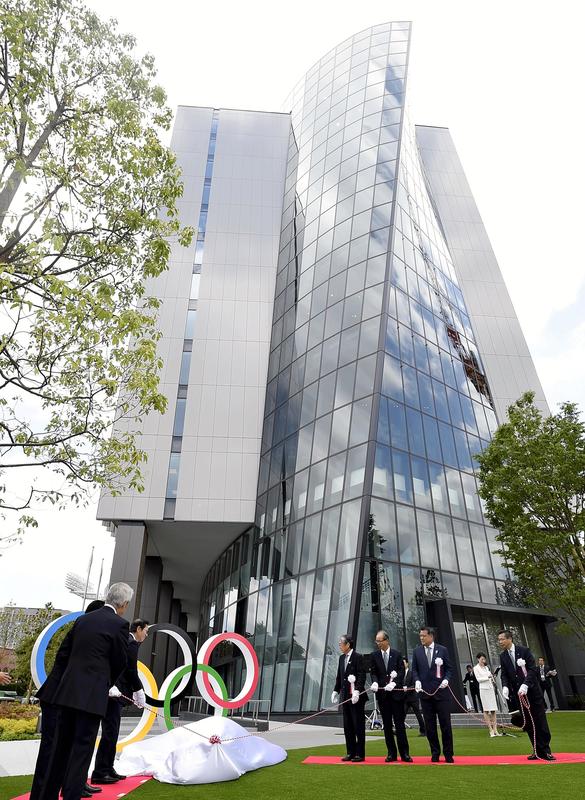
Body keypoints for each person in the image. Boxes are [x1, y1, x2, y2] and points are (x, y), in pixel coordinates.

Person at [32, 583, 132, 800]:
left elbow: (64, 653)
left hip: (66, 694)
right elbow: (119, 662)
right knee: (81, 752)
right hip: (92, 697)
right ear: (124, 604)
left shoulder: (83, 620)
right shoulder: (120, 625)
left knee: (60, 750)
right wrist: (105, 684)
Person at [29, 599, 105, 800]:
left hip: (63, 697)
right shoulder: (81, 632)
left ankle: (67, 786)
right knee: (51, 753)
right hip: (57, 697)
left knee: (62, 751)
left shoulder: (82, 630)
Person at [92, 618, 149, 784]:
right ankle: (100, 772)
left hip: (114, 693)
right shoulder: (131, 643)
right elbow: (131, 670)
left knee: (112, 732)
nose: (146, 635)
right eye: (146, 631)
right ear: (139, 629)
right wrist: (139, 691)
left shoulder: (127, 641)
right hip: (113, 694)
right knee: (110, 732)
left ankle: (108, 768)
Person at [497, 629, 555, 760]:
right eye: (499, 640)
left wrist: (526, 684)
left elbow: (532, 670)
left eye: (502, 639)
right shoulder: (503, 656)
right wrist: (505, 686)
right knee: (528, 723)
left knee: (540, 721)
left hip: (532, 692)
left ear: (509, 639)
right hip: (519, 695)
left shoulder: (524, 651)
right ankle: (536, 750)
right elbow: (504, 674)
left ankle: (546, 750)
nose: (500, 642)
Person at [412, 626, 454, 763]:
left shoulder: (442, 650)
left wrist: (446, 680)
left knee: (445, 725)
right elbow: (414, 670)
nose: (421, 638)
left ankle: (448, 754)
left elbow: (449, 669)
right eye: (420, 636)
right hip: (425, 694)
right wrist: (417, 681)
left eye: (424, 636)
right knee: (430, 726)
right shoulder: (417, 651)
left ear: (431, 636)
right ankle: (435, 752)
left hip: (441, 694)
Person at [369, 630, 412, 762]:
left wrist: (394, 683)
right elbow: (373, 672)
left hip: (396, 696)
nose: (378, 643)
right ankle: (391, 753)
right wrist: (375, 682)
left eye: (380, 641)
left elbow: (401, 671)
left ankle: (404, 753)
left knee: (399, 725)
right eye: (376, 641)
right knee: (387, 726)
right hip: (383, 696)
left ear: (386, 640)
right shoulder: (374, 655)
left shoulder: (397, 654)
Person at [332, 633, 366, 762]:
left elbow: (362, 676)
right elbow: (340, 676)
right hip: (346, 697)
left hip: (356, 697)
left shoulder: (358, 657)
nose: (340, 646)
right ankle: (350, 752)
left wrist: (357, 690)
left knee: (358, 726)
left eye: (341, 643)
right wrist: (336, 691)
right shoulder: (342, 658)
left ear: (348, 644)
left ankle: (360, 753)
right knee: (348, 726)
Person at [473, 652, 501, 736]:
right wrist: (487, 677)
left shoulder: (486, 667)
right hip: (483, 689)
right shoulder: (476, 668)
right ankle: (490, 730)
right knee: (486, 710)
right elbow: (478, 679)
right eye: (482, 659)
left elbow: (490, 676)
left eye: (484, 659)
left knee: (493, 710)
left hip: (490, 689)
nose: (483, 661)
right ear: (478, 659)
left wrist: (492, 678)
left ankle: (495, 729)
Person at [403, 658, 426, 736]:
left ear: (407, 664)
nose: (402, 665)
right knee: (402, 715)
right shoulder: (401, 674)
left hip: (413, 698)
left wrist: (407, 688)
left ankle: (423, 731)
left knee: (418, 714)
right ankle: (399, 730)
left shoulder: (412, 673)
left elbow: (414, 685)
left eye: (404, 663)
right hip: (405, 698)